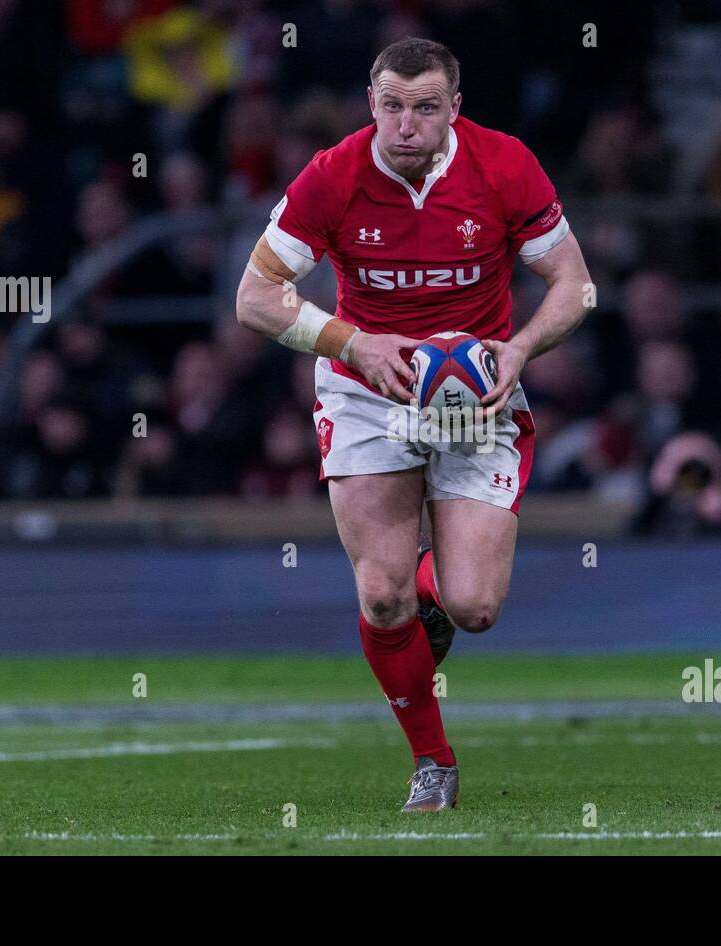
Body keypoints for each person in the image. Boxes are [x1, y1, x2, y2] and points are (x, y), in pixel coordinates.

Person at [234, 38, 591, 812]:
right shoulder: (332, 175)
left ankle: (440, 586)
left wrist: (522, 347)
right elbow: (255, 297)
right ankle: (433, 760)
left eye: (425, 108)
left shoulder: (503, 165)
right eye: (391, 106)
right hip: (368, 388)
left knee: (475, 608)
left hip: (475, 394)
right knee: (382, 594)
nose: (405, 125)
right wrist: (352, 341)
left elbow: (574, 285)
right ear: (372, 104)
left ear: (453, 109)